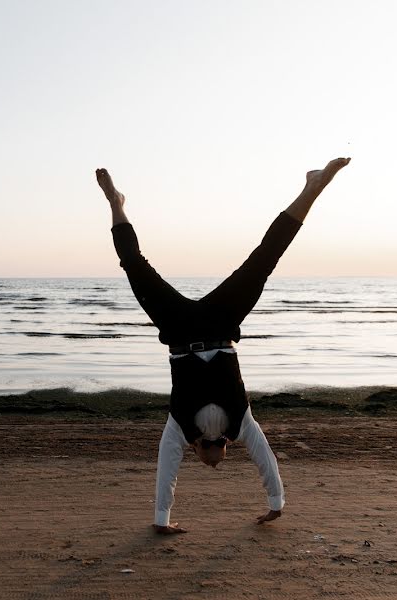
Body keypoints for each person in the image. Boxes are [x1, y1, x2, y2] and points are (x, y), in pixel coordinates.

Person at [96, 158, 350, 534]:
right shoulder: (241, 423)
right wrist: (276, 504)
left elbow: (167, 469)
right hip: (221, 324)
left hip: (179, 330)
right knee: (265, 259)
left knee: (132, 264)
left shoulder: (178, 431)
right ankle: (313, 187)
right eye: (221, 460)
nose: (213, 461)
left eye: (203, 461)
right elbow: (265, 459)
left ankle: (116, 203)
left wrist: (161, 520)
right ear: (226, 450)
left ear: (195, 453)